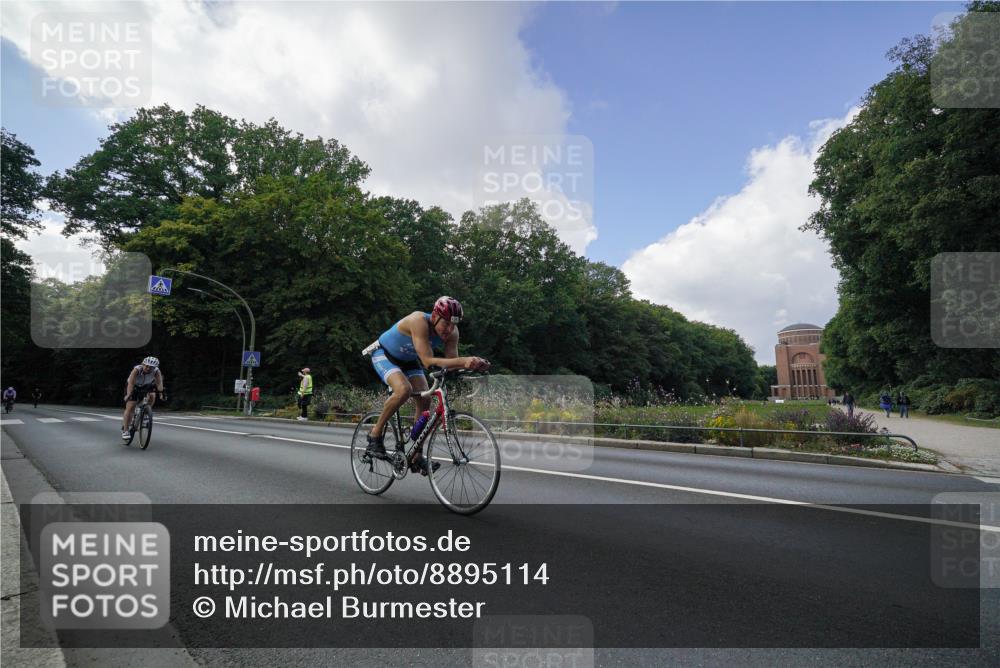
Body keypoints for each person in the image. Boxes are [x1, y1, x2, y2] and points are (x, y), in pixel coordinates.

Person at [362, 296, 489, 474]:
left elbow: (451, 363)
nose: (450, 329)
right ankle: (375, 434)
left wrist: (474, 366)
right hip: (384, 354)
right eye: (446, 323)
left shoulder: (452, 332)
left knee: (425, 398)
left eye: (454, 325)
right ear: (435, 315)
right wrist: (463, 361)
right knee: (404, 389)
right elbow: (428, 361)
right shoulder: (418, 321)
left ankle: (416, 455)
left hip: (408, 360)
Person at [121, 357, 165, 440]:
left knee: (152, 395)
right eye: (147, 366)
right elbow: (131, 383)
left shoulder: (156, 371)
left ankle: (145, 414)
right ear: (143, 364)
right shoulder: (137, 370)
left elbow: (159, 384)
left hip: (146, 385)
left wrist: (161, 394)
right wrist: (129, 395)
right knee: (131, 406)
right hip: (134, 386)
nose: (148, 368)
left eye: (151, 367)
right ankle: (125, 430)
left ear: (155, 368)